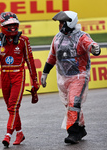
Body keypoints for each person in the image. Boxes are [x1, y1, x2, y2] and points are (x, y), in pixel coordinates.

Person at [41, 11, 101, 144]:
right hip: (63, 77)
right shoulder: (57, 38)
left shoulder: (81, 36)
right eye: (59, 23)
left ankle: (72, 133)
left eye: (62, 22)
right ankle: (81, 128)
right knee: (69, 105)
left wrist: (95, 48)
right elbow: (52, 56)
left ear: (70, 22)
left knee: (74, 103)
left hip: (79, 76)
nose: (60, 25)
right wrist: (45, 73)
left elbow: (90, 44)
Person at [0, 12, 40, 147]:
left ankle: (8, 135)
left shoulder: (23, 41)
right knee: (11, 108)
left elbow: (30, 61)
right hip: (4, 76)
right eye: (9, 25)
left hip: (18, 75)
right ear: (2, 26)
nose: (13, 27)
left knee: (13, 106)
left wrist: (34, 80)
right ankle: (19, 133)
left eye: (15, 24)